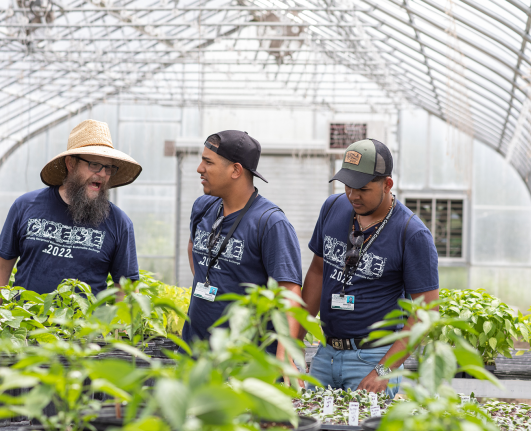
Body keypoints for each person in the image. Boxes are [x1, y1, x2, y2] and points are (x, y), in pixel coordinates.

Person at [300, 139, 439, 397]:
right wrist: (295, 338)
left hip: (373, 359)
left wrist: (383, 371)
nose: (353, 195)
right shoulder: (332, 207)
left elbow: (425, 313)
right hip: (325, 353)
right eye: (347, 186)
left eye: (363, 188)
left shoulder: (411, 233)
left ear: (387, 185)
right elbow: (318, 271)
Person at [0, 119, 141, 303]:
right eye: (94, 164)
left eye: (108, 167)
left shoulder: (119, 223)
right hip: (25, 326)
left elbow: (126, 288)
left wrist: (121, 331)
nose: (102, 173)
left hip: (86, 331)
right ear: (71, 163)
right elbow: (1, 266)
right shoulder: (26, 206)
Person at [183, 130, 303, 359]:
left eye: (208, 162)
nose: (200, 168)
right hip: (194, 353)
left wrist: (284, 358)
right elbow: (193, 246)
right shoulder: (203, 207)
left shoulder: (270, 223)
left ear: (236, 170)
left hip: (243, 363)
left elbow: (289, 293)